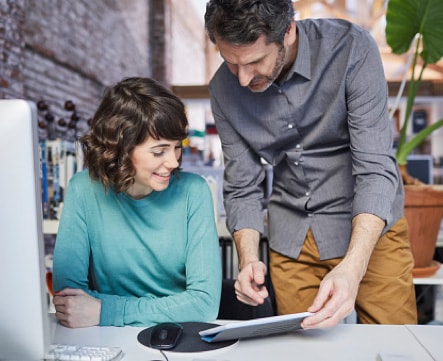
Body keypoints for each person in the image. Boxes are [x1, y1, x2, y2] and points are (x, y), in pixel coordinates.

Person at [204, 0, 417, 328]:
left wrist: (353, 267)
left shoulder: (350, 49)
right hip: (292, 239)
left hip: (371, 235)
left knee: (395, 346)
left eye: (256, 61)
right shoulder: (223, 88)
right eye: (230, 63)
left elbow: (375, 167)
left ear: (287, 30)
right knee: (302, 351)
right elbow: (242, 184)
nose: (243, 79)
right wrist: (248, 260)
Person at [52, 77, 222, 328]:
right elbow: (69, 302)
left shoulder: (193, 192)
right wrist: (172, 307)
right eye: (158, 151)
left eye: (176, 147)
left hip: (174, 337)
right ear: (121, 147)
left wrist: (105, 311)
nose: (174, 162)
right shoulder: (83, 190)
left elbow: (204, 304)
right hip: (106, 340)